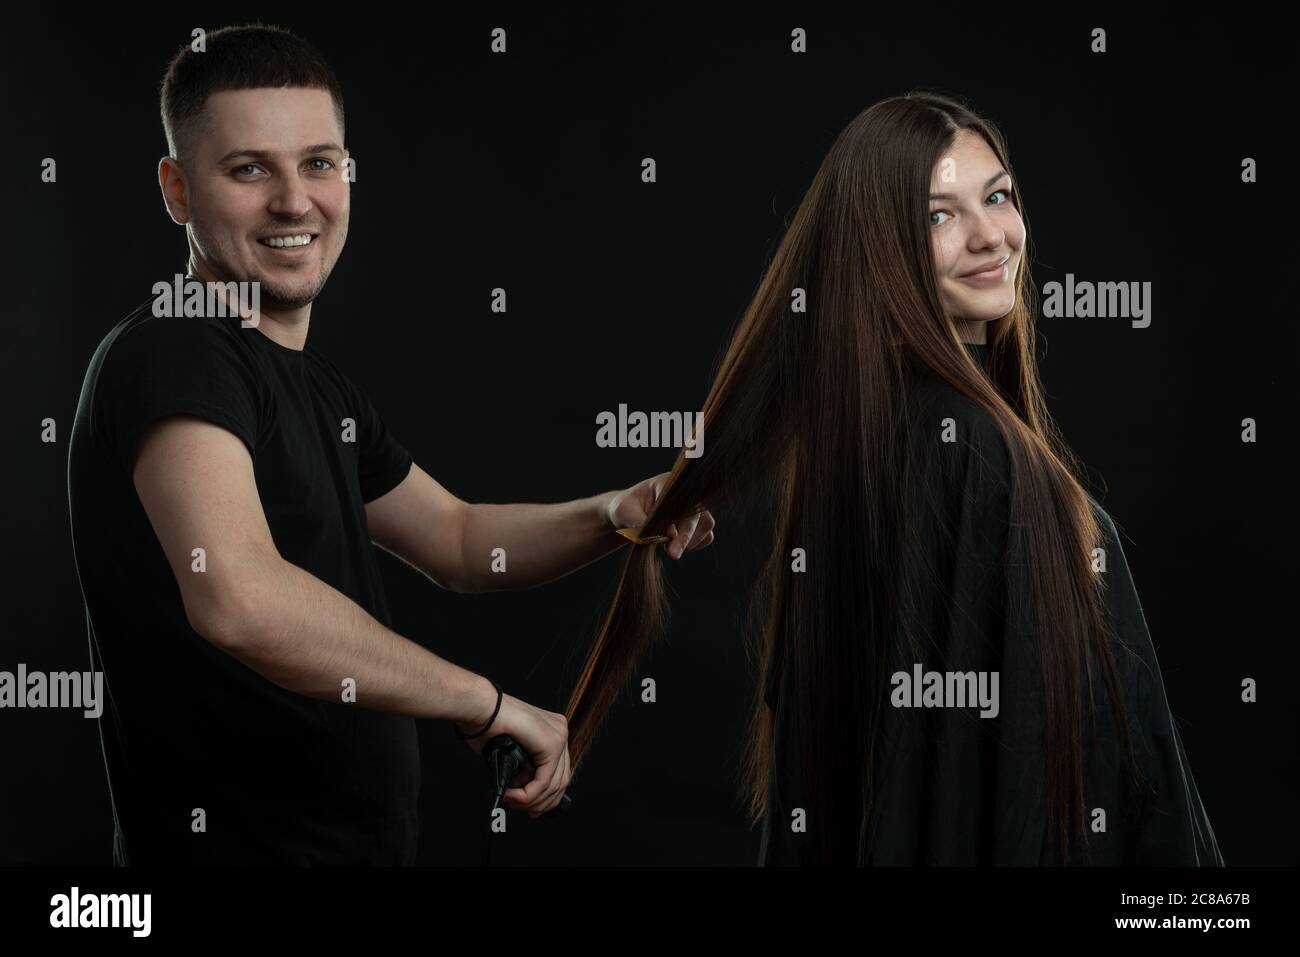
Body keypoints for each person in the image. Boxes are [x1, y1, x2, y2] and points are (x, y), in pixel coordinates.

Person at [66, 23, 715, 866]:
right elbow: (237, 595)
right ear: (178, 190)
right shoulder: (177, 348)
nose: (295, 201)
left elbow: (458, 539)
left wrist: (615, 512)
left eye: (319, 163)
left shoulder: (318, 387)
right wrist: (481, 703)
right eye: (249, 168)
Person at [561, 92, 1223, 866]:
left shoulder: (864, 449)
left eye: (998, 196)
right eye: (939, 215)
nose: (990, 237)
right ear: (882, 246)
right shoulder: (979, 456)